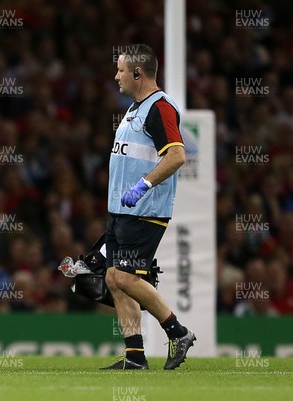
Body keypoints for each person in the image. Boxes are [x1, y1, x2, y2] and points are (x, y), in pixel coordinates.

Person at [102, 44, 196, 370]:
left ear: (138, 73)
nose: (116, 76)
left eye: (121, 70)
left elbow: (177, 155)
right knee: (114, 278)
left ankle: (178, 332)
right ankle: (135, 357)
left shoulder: (161, 108)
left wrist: (144, 185)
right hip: (122, 211)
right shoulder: (134, 109)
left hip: (145, 210)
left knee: (124, 278)